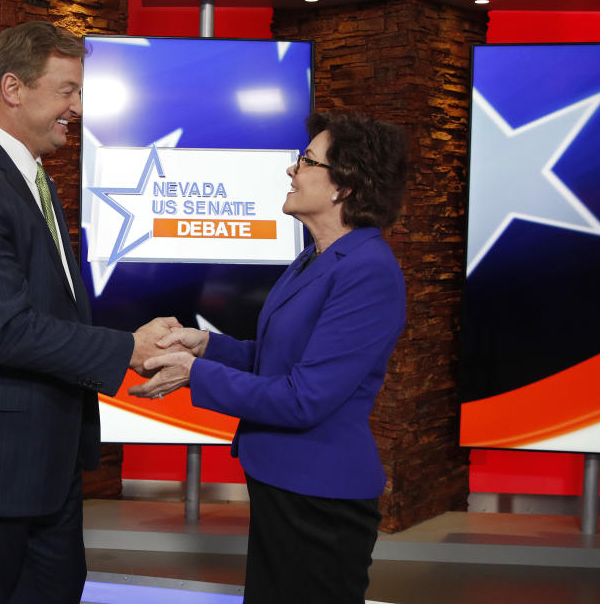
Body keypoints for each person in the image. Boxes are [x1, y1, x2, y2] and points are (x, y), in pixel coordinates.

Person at [0, 21, 176, 604]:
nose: (77, 107)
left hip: (43, 472)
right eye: (66, 90)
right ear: (12, 88)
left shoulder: (30, 177)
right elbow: (6, 331)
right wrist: (131, 348)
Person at [131, 111, 408, 603]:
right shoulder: (316, 257)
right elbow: (284, 359)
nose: (292, 170)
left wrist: (195, 374)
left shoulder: (368, 270)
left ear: (344, 186)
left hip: (321, 496)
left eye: (306, 160)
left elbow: (306, 397)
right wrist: (207, 345)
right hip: (283, 481)